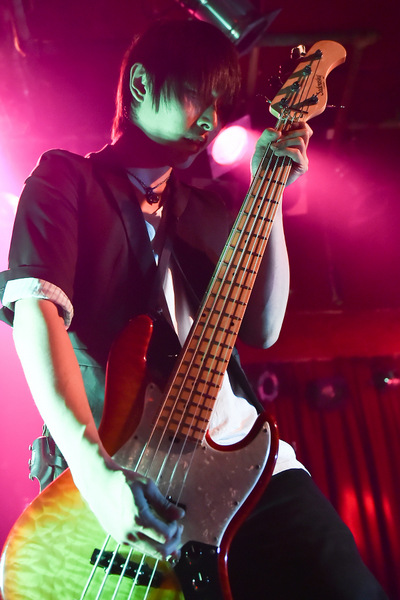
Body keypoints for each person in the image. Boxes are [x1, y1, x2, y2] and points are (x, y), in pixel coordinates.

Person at [0, 18, 388, 600]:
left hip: (245, 460)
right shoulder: (66, 179)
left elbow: (264, 328)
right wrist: (95, 473)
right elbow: (36, 313)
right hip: (125, 470)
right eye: (193, 95)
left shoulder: (209, 210)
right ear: (139, 85)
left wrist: (269, 194)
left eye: (218, 104)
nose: (209, 120)